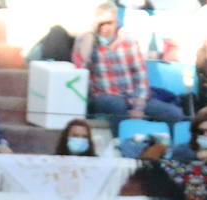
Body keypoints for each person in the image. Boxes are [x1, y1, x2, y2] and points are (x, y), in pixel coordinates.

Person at [72, 2, 183, 131]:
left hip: (131, 97)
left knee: (174, 114)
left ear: (116, 22)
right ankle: (120, 144)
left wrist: (138, 107)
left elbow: (141, 77)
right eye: (101, 24)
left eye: (109, 23)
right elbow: (82, 66)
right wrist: (92, 33)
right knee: (117, 107)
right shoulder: (86, 40)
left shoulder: (128, 41)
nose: (105, 27)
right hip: (103, 97)